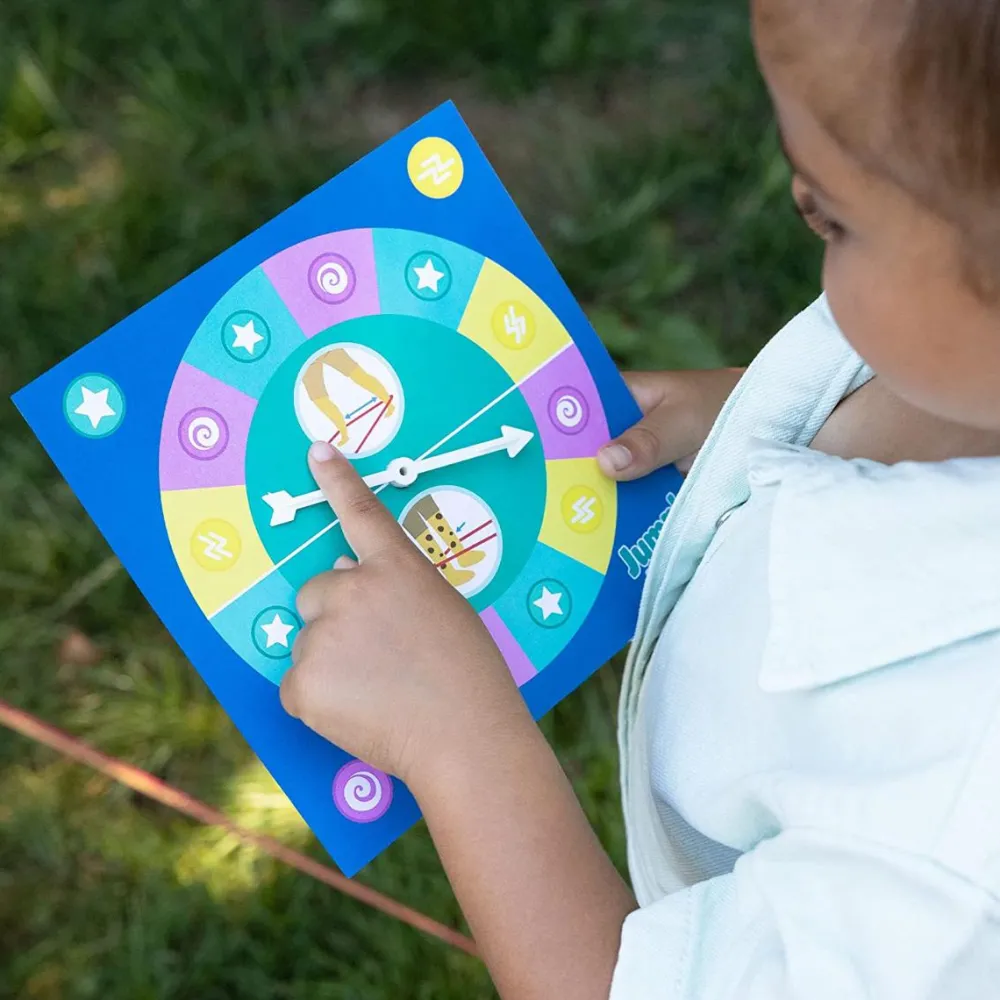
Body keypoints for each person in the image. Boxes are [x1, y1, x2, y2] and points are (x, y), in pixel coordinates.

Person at [279, 1, 1000, 996]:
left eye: (836, 218)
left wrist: (458, 739)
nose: (801, 207)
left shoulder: (958, 844)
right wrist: (770, 416)